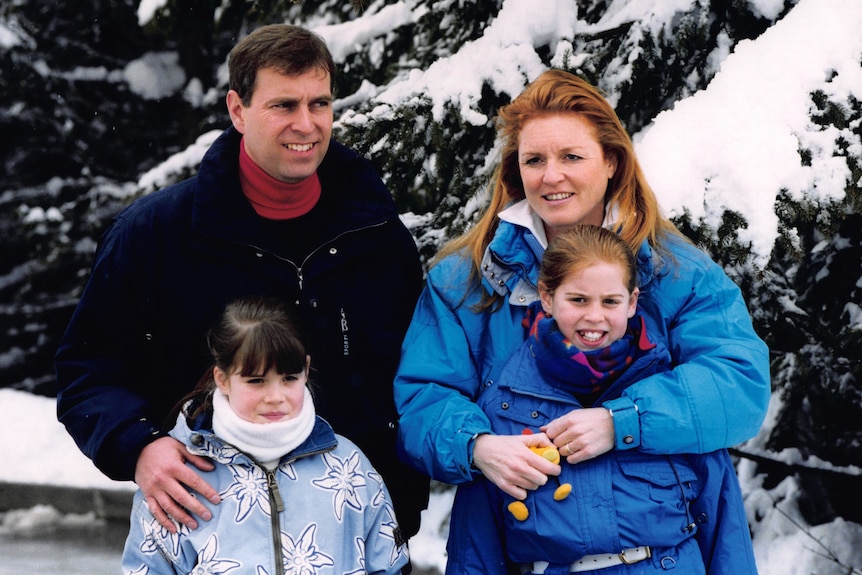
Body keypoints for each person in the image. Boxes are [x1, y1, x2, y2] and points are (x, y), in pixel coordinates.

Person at [55, 23, 428, 543]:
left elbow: (422, 375)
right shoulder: (156, 235)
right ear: (237, 109)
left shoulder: (376, 235)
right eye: (284, 105)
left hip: (360, 539)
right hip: (213, 534)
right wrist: (138, 446)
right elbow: (88, 370)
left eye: (319, 104)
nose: (306, 124)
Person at [393, 70, 770, 569]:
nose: (551, 176)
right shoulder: (466, 279)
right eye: (535, 160)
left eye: (571, 156)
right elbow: (422, 398)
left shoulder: (675, 270)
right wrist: (476, 445)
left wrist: (624, 421)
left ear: (611, 161)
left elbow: (738, 382)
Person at [447, 225, 757, 574]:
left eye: (610, 301)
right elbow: (476, 550)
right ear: (547, 297)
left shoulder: (674, 397)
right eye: (578, 300)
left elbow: (724, 529)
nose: (594, 316)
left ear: (632, 302)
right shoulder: (504, 407)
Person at [121, 296, 409, 575]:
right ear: (223, 379)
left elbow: (388, 564)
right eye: (256, 380)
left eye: (289, 378)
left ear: (306, 369)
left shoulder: (349, 465)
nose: (275, 397)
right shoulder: (177, 474)